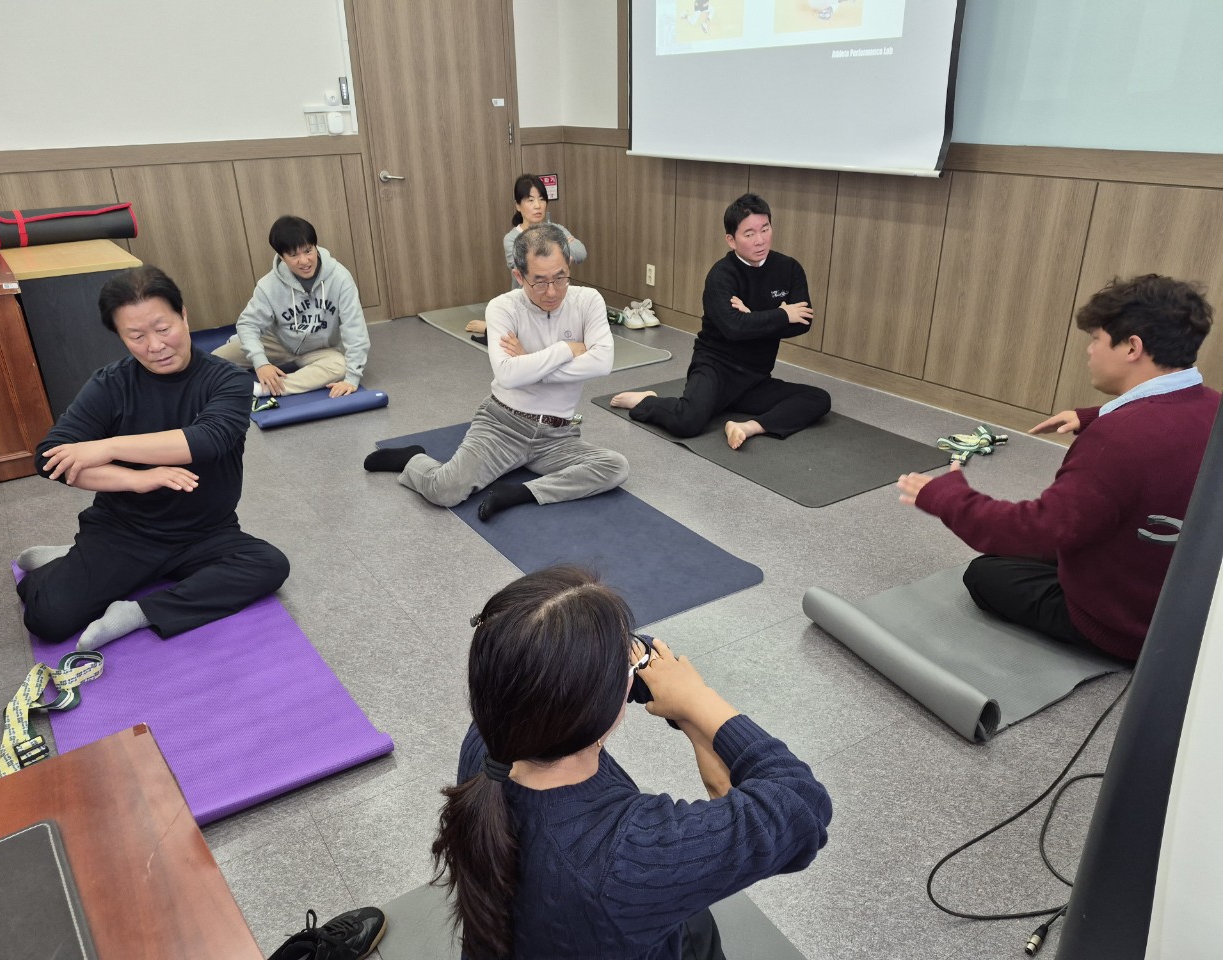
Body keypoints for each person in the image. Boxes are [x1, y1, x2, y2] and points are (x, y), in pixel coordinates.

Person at [432, 566, 833, 960]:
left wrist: (634, 669)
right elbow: (802, 804)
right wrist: (696, 700)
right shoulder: (629, 858)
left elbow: (563, 660)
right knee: (696, 926)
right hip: (601, 911)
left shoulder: (490, 736)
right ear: (597, 705)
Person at [898, 274, 1218, 663]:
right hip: (1183, 609)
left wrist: (946, 497)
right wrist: (1093, 416)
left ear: (1132, 347)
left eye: (1097, 339)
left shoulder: (1116, 439)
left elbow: (1034, 532)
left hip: (1125, 628)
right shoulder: (1212, 407)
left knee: (985, 574)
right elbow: (1170, 423)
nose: (1089, 351)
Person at [15, 266, 290, 652]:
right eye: (137, 336)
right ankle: (66, 561)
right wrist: (137, 479)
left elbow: (208, 439)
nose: (155, 346)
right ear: (121, 337)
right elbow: (49, 459)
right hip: (126, 531)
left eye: (163, 329)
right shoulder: (110, 384)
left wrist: (109, 447)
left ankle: (139, 611)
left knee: (269, 565)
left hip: (206, 532)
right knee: (47, 617)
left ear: (184, 315)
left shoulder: (228, 380)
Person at [365, 223, 628, 521]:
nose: (552, 291)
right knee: (445, 490)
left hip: (559, 435)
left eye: (560, 277)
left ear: (568, 266)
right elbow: (507, 375)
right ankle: (413, 459)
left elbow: (602, 363)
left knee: (615, 466)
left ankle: (521, 493)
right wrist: (566, 349)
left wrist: (529, 361)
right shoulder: (502, 307)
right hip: (503, 426)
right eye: (540, 281)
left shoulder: (588, 300)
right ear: (519, 276)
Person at [611, 193, 831, 449]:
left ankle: (747, 427)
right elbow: (734, 328)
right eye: (749, 234)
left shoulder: (789, 268)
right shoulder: (721, 276)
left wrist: (752, 316)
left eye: (765, 229)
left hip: (756, 376)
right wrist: (781, 314)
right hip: (715, 368)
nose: (760, 240)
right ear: (731, 240)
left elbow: (803, 322)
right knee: (687, 422)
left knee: (818, 399)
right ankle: (647, 401)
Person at [213, 215, 370, 408]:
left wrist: (352, 379)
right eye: (294, 255)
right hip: (278, 341)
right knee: (212, 363)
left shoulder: (340, 278)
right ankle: (247, 348)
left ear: (315, 246)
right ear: (282, 257)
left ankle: (265, 389)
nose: (304, 261)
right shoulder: (268, 285)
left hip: (321, 348)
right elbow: (248, 324)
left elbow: (355, 329)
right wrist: (261, 363)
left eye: (308, 251)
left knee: (341, 365)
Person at [465, 174, 586, 339]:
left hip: (554, 298)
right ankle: (491, 328)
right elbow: (523, 268)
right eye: (530, 200)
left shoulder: (556, 229)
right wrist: (561, 250)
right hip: (526, 303)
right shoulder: (512, 238)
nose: (538, 205)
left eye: (542, 199)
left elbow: (580, 252)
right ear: (518, 205)